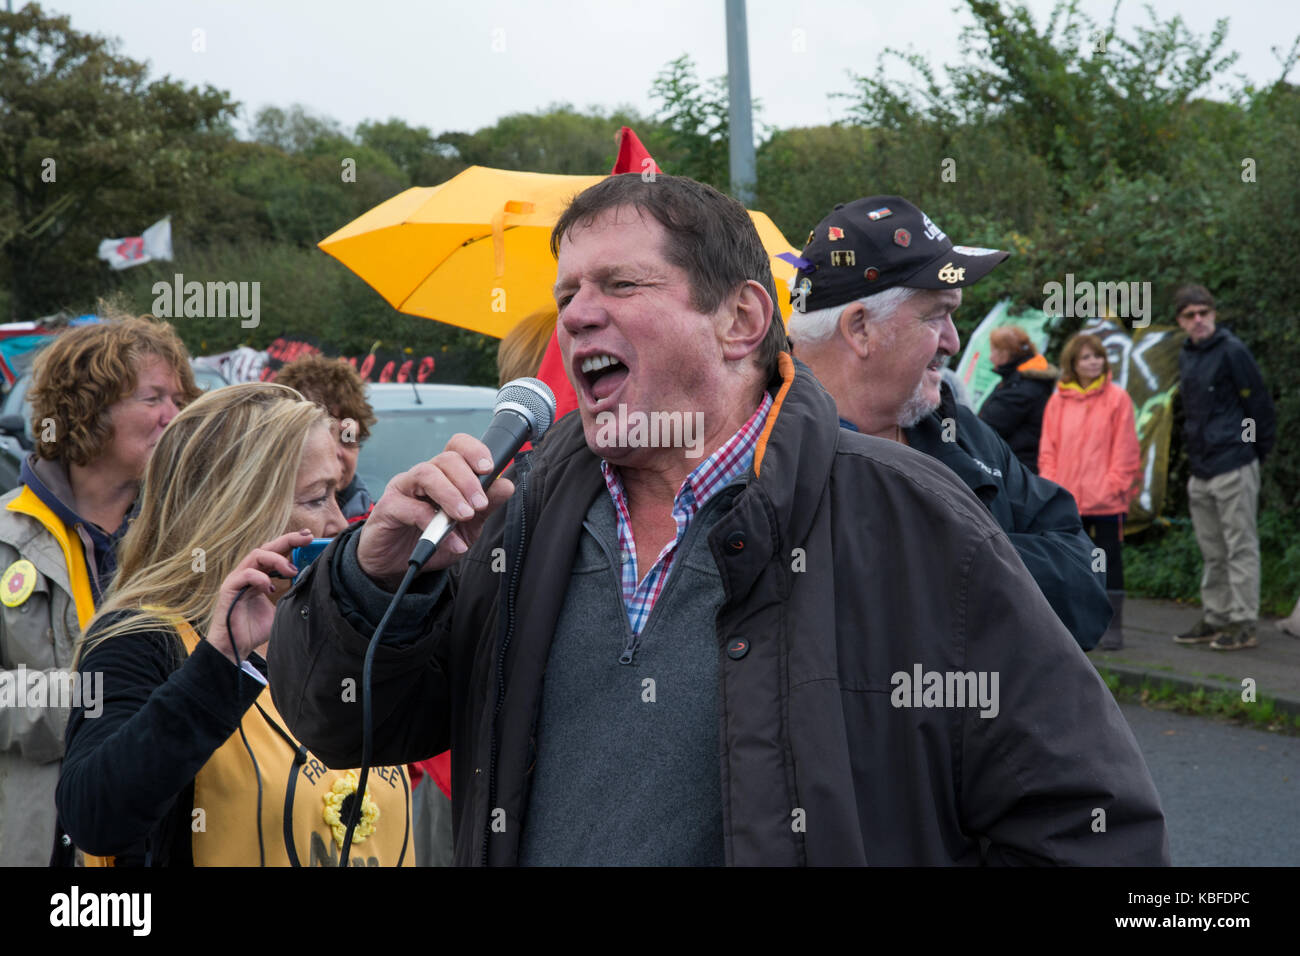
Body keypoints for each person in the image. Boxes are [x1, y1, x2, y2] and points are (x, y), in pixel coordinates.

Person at [267, 174, 1167, 866]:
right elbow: (348, 727)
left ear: (741, 319)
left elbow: (1088, 823)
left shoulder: (910, 517)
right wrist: (371, 581)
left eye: (619, 284)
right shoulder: (520, 516)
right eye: (568, 288)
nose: (576, 314)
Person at [56, 384, 414, 866]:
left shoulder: (332, 625)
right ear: (236, 509)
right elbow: (95, 818)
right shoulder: (143, 638)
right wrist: (220, 665)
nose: (339, 521)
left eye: (338, 494)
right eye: (316, 498)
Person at [786, 197, 1111, 652]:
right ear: (859, 328)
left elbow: (1083, 583)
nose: (953, 341)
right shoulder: (757, 457)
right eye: (936, 314)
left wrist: (942, 564)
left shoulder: (959, 434)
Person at [0, 317, 197, 866]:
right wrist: (93, 702)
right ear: (87, 408)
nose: (174, 416)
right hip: (42, 842)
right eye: (154, 397)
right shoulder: (5, 537)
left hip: (160, 837)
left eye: (179, 398)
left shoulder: (190, 540)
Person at [1171, 285, 1275, 651]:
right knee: (1212, 549)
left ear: (1214, 313)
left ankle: (1244, 621)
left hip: (1234, 462)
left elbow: (1259, 404)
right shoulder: (1187, 355)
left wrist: (1252, 451)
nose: (1198, 320)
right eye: (1190, 315)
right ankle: (1216, 617)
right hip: (1201, 467)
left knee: (1240, 546)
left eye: (1204, 312)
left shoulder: (1232, 351)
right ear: (1180, 321)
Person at [1039, 333, 1141, 650]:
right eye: (1085, 357)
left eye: (1097, 356)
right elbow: (1048, 449)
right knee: (1070, 561)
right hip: (1067, 499)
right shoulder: (1058, 400)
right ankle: (1072, 625)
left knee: (1109, 561)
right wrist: (1053, 485)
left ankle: (1112, 627)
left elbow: (1126, 449)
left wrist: (1114, 485)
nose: (1093, 362)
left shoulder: (1117, 399)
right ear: (1073, 362)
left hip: (1107, 500)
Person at [275, 354, 378, 522]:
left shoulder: (380, 530)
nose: (335, 452)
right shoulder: (255, 529)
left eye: (348, 438)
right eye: (321, 437)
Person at [977, 325, 1059, 473]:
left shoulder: (1020, 388)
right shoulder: (1023, 379)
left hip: (1016, 467)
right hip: (1020, 464)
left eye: (994, 351)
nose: (990, 357)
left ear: (1005, 353)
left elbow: (987, 428)